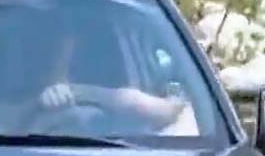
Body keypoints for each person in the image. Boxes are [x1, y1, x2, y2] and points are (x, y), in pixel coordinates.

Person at [35, 32, 192, 134]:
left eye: (65, 49)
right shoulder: (19, 102)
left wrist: (79, 92)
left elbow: (172, 109)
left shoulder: (117, 107)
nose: (59, 57)